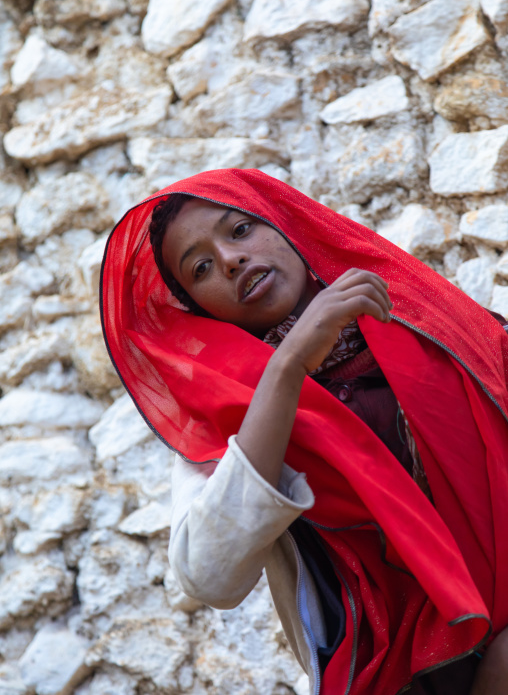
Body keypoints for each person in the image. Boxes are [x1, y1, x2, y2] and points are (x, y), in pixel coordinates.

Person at [100, 168, 508, 695]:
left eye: (241, 229)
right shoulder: (228, 429)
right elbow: (209, 577)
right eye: (201, 267)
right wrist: (286, 368)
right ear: (200, 307)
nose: (230, 259)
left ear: (285, 222)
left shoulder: (437, 323)